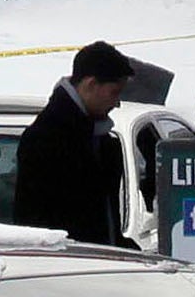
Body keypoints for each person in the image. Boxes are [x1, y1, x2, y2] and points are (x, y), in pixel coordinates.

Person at [13, 42, 139, 248]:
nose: (117, 103)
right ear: (91, 85)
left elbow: (105, 220)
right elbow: (37, 222)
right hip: (70, 267)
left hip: (95, 262)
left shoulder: (99, 139)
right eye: (114, 92)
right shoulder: (48, 139)